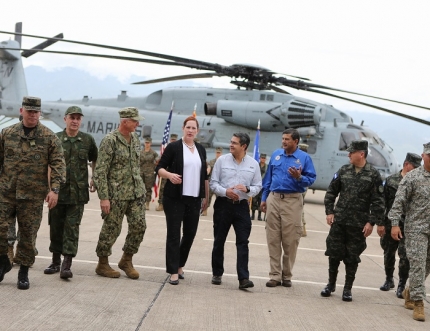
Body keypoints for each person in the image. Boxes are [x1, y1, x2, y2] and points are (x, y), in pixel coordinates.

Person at [0, 96, 66, 290]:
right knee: (1, 231)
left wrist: (54, 190)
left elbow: (58, 166)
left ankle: (23, 273)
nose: (32, 115)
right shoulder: (7, 133)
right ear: (22, 112)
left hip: (32, 196)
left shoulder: (49, 137)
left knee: (28, 236)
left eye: (35, 112)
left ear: (40, 113)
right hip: (6, 193)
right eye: (29, 111)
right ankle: (3, 261)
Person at [321, 140, 384, 301]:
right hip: (339, 221)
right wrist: (329, 212)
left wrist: (371, 222)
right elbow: (331, 193)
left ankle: (347, 289)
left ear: (361, 154)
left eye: (351, 152)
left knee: (352, 257)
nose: (348, 154)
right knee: (334, 254)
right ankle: (330, 284)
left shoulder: (373, 174)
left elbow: (378, 202)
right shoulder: (343, 170)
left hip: (358, 225)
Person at [43, 106, 98, 279]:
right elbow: (49, 165)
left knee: (72, 228)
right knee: (56, 226)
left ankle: (67, 264)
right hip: (58, 192)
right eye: (72, 118)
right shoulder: (56, 139)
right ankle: (55, 261)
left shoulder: (87, 140)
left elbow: (95, 158)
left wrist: (94, 177)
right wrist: (50, 188)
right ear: (65, 119)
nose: (75, 121)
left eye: (78, 118)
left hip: (77, 194)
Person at [93, 107, 146, 280]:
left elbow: (135, 165)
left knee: (139, 226)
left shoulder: (136, 138)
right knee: (111, 229)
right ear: (125, 121)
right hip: (116, 194)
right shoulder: (110, 140)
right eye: (135, 121)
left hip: (136, 192)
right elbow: (100, 171)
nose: (138, 123)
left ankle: (126, 260)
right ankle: (102, 263)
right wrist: (104, 197)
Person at [155, 117, 208, 285]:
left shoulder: (201, 149)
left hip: (194, 198)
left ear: (197, 131)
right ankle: (173, 272)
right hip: (175, 198)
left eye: (193, 128)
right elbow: (159, 168)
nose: (190, 130)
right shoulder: (174, 147)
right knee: (174, 234)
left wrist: (205, 196)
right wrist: (170, 175)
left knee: (190, 234)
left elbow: (204, 176)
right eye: (188, 127)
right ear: (183, 129)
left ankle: (180, 265)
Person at [261, 130, 316, 288]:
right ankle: (275, 275)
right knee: (273, 238)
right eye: (283, 139)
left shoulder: (304, 158)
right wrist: (265, 198)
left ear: (296, 141)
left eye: (287, 139)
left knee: (290, 240)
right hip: (274, 198)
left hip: (292, 200)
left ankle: (287, 275)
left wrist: (299, 178)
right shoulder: (276, 155)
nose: (284, 142)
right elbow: (268, 179)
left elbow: (311, 179)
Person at [210, 133, 262, 290]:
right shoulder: (221, 161)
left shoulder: (253, 164)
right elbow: (213, 184)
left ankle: (243, 278)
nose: (231, 145)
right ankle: (217, 273)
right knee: (219, 240)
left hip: (242, 207)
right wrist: (225, 192)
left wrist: (247, 189)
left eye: (234, 143)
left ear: (244, 146)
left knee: (243, 242)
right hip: (223, 205)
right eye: (231, 142)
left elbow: (258, 186)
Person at [388, 143, 430, 322]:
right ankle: (418, 302)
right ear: (423, 156)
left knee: (427, 265)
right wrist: (395, 224)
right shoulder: (413, 177)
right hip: (416, 229)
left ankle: (410, 289)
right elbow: (399, 202)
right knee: (418, 264)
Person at [379, 153, 421, 296]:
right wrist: (380, 223)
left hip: (408, 226)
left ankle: (401, 284)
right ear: (406, 164)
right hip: (391, 223)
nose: (416, 169)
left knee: (405, 257)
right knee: (388, 253)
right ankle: (389, 279)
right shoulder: (390, 181)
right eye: (414, 166)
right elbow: (382, 203)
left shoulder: (416, 182)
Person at [156, 133, 178, 211]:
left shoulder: (178, 150)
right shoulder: (167, 149)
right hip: (165, 172)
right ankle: (161, 204)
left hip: (174, 174)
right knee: (162, 188)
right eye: (172, 140)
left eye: (174, 140)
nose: (173, 141)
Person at [202, 147, 223, 216]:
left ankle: (219, 212)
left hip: (220, 183)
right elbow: (209, 169)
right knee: (208, 197)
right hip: (212, 181)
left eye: (219, 153)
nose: (218, 154)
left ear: (221, 153)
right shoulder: (212, 161)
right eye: (217, 153)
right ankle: (205, 210)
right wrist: (206, 172)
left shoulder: (223, 162)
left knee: (219, 199)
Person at [140, 137, 159, 211]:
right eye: (146, 143)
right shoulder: (141, 152)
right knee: (141, 188)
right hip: (141, 173)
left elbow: (158, 160)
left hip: (149, 173)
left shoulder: (153, 153)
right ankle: (141, 202)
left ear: (150, 144)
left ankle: (147, 203)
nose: (147, 144)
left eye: (148, 143)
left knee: (148, 188)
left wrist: (155, 164)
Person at [298, 143, 309, 237]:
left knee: (298, 206)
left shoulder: (301, 161)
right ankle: (303, 228)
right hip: (304, 186)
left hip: (300, 187)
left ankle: (302, 229)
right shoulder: (307, 160)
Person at [251, 153, 267, 221]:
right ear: (260, 158)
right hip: (256, 185)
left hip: (263, 187)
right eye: (262, 158)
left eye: (264, 158)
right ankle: (253, 215)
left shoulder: (267, 167)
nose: (262, 159)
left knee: (260, 201)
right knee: (254, 200)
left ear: (265, 159)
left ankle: (259, 216)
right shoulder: (257, 165)